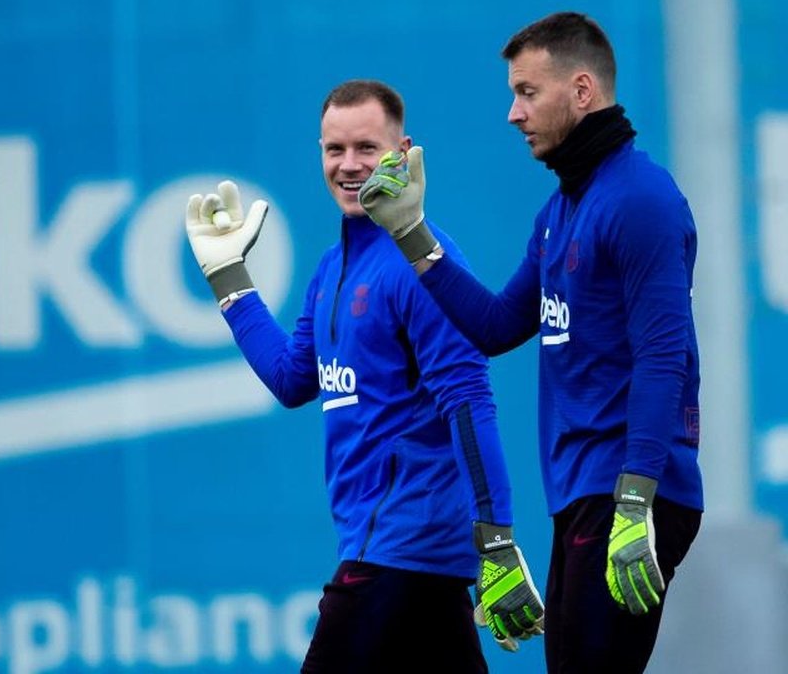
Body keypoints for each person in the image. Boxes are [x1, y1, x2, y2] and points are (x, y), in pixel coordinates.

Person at [358, 12, 703, 674]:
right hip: (584, 491)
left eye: (526, 92)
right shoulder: (561, 212)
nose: (513, 113)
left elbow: (665, 358)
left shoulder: (641, 200)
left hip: (629, 491)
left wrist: (636, 502)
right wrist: (410, 233)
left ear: (581, 91)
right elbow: (494, 327)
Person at [184, 79, 544, 672]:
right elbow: (292, 378)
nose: (349, 166)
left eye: (367, 149)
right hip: (402, 560)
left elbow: (469, 401)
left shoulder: (422, 262)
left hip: (399, 550)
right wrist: (229, 279)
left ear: (402, 151)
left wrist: (497, 541)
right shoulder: (331, 268)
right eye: (335, 150)